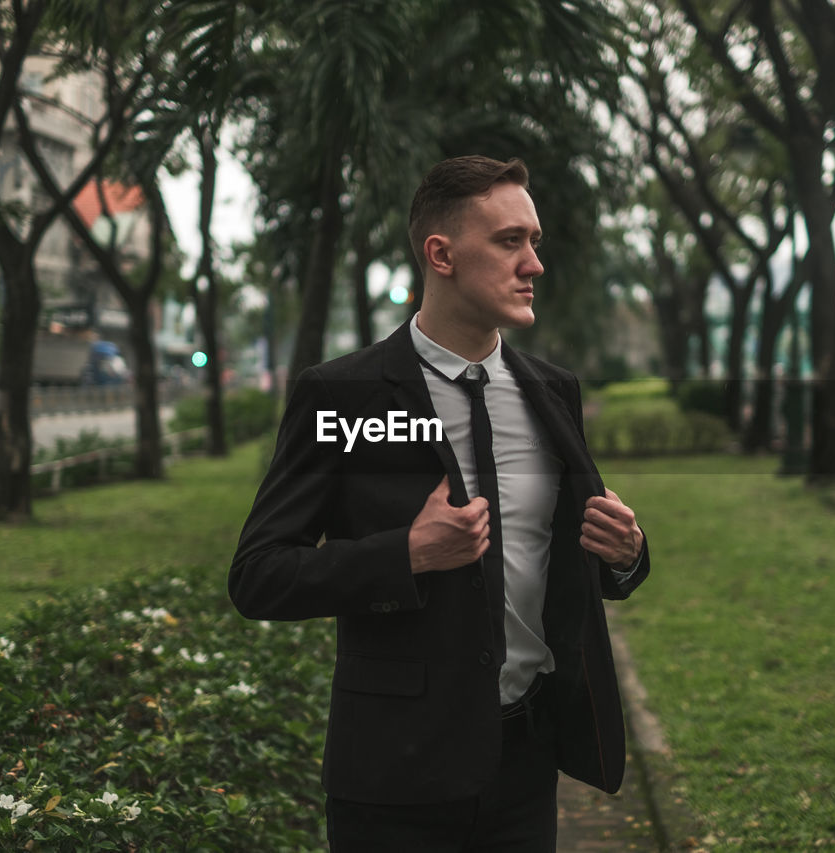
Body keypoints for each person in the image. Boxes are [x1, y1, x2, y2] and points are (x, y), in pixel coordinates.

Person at [228, 155, 650, 851]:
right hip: (394, 776)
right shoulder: (345, 398)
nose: (534, 263)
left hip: (525, 768)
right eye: (510, 241)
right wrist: (408, 553)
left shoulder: (554, 393)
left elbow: (570, 559)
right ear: (441, 254)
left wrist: (628, 554)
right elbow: (258, 573)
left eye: (534, 241)